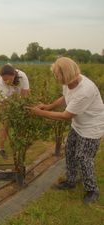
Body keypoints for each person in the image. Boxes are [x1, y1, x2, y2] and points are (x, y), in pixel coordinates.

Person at [27, 57, 104, 204]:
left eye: (57, 75)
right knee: (69, 151)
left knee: (83, 157)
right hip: (79, 124)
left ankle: (92, 190)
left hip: (92, 127)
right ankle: (71, 180)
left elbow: (66, 116)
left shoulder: (85, 90)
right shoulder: (69, 83)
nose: (56, 77)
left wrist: (41, 113)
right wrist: (48, 106)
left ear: (67, 73)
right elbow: (64, 97)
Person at [0, 64, 30, 159]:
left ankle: (19, 143)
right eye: (5, 80)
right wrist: (15, 108)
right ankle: (1, 149)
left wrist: (23, 106)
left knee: (21, 119)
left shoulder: (22, 76)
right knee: (6, 122)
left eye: (9, 79)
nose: (7, 82)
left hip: (14, 97)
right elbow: (6, 103)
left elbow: (26, 94)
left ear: (14, 75)